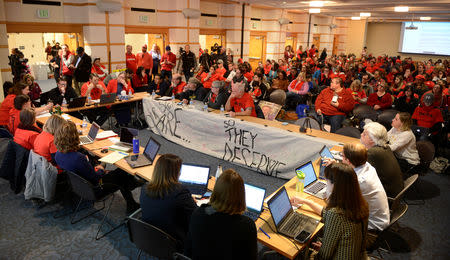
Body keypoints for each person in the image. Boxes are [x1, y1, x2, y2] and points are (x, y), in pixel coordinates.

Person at [54, 121, 140, 214]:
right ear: (74, 136)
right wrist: (101, 168)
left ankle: (131, 183)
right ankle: (131, 204)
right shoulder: (78, 158)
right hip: (95, 189)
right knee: (122, 172)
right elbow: (95, 177)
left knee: (102, 163)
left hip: (79, 186)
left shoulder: (58, 154)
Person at [290, 163, 369, 260]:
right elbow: (326, 213)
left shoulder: (336, 214)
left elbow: (324, 256)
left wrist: (315, 253)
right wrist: (305, 201)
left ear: (335, 185)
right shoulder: (360, 204)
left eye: (327, 181)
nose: (326, 184)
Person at [185, 169, 257, 260]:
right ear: (241, 195)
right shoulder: (247, 225)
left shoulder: (198, 213)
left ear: (215, 191)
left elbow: (188, 250)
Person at [140, 154, 197, 248]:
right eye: (179, 170)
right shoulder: (180, 192)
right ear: (175, 173)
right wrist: (192, 202)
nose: (180, 173)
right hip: (173, 242)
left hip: (148, 236)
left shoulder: (145, 188)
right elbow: (195, 216)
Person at [361, 122, 404, 197]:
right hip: (395, 191)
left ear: (372, 140)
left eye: (364, 134)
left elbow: (360, 174)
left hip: (386, 196)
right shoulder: (385, 147)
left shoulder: (373, 153)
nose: (361, 134)